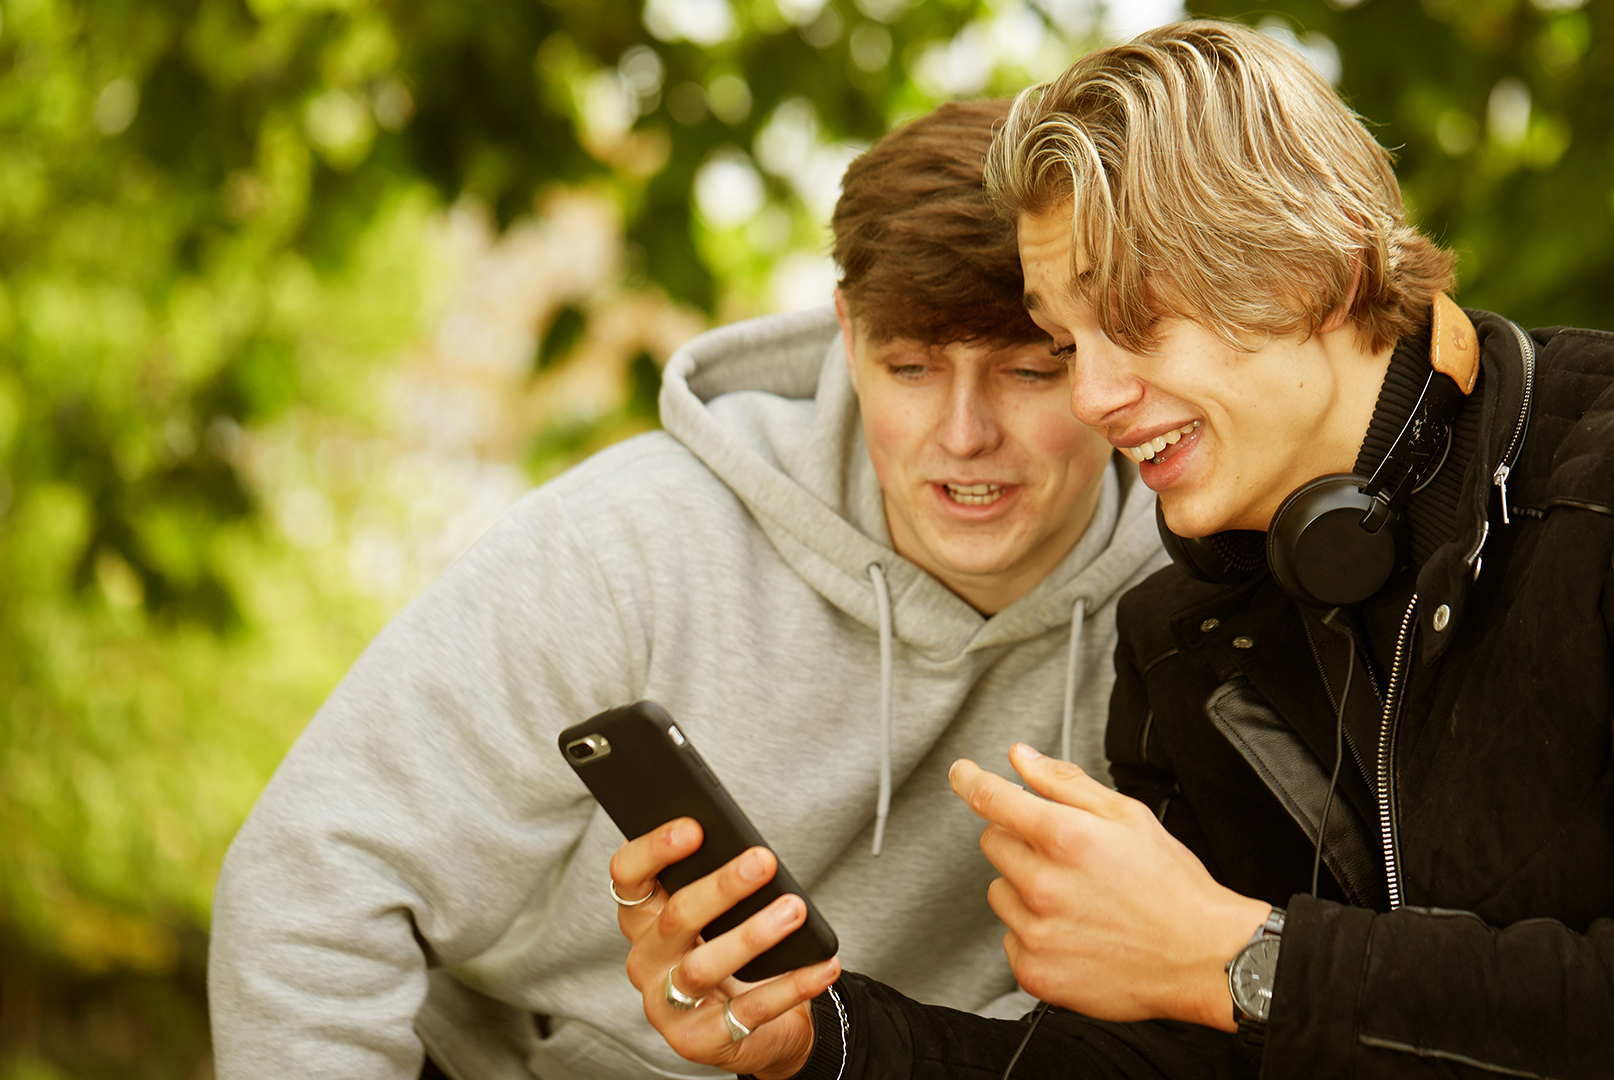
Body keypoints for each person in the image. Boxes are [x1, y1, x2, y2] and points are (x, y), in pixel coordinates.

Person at [610, 20, 1614, 1080]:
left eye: (1137, 326)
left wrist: (1242, 953)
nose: (1095, 396)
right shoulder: (1190, 630)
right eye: (1074, 344)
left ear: (1306, 269)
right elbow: (1159, 1065)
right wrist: (821, 1042)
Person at [206, 99, 1168, 1080]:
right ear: (846, 333)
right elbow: (314, 882)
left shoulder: (1194, 608)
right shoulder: (631, 544)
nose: (963, 434)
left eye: (1028, 369)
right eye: (910, 367)